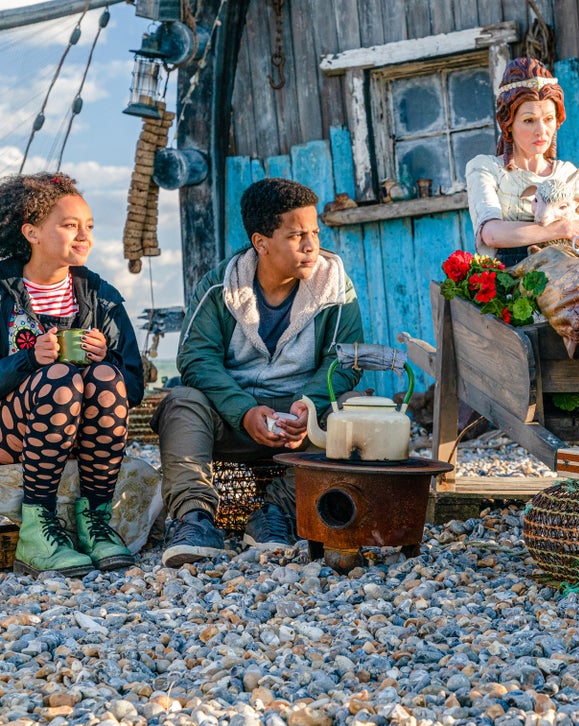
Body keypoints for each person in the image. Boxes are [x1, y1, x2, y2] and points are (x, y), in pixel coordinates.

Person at [153, 177, 364, 568]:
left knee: (354, 410)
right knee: (181, 401)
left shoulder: (336, 287)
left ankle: (274, 512)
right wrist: (244, 410)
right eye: (296, 235)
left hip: (302, 423)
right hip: (233, 420)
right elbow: (196, 358)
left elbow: (344, 361)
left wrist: (309, 405)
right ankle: (194, 519)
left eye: (315, 233)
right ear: (261, 243)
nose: (311, 246)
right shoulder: (219, 287)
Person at [0, 172, 143, 576]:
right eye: (69, 225)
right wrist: (29, 359)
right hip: (10, 432)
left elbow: (133, 387)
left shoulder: (101, 296)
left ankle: (94, 522)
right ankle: (38, 531)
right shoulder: (2, 288)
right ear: (31, 232)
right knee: (59, 378)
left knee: (106, 377)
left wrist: (105, 358)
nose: (84, 236)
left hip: (77, 435)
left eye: (89, 226)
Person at [466, 57, 579, 266]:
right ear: (508, 124)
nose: (541, 130)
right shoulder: (487, 169)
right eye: (529, 120)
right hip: (510, 278)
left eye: (548, 119)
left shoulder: (571, 176)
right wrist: (564, 228)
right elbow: (491, 234)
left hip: (568, 276)